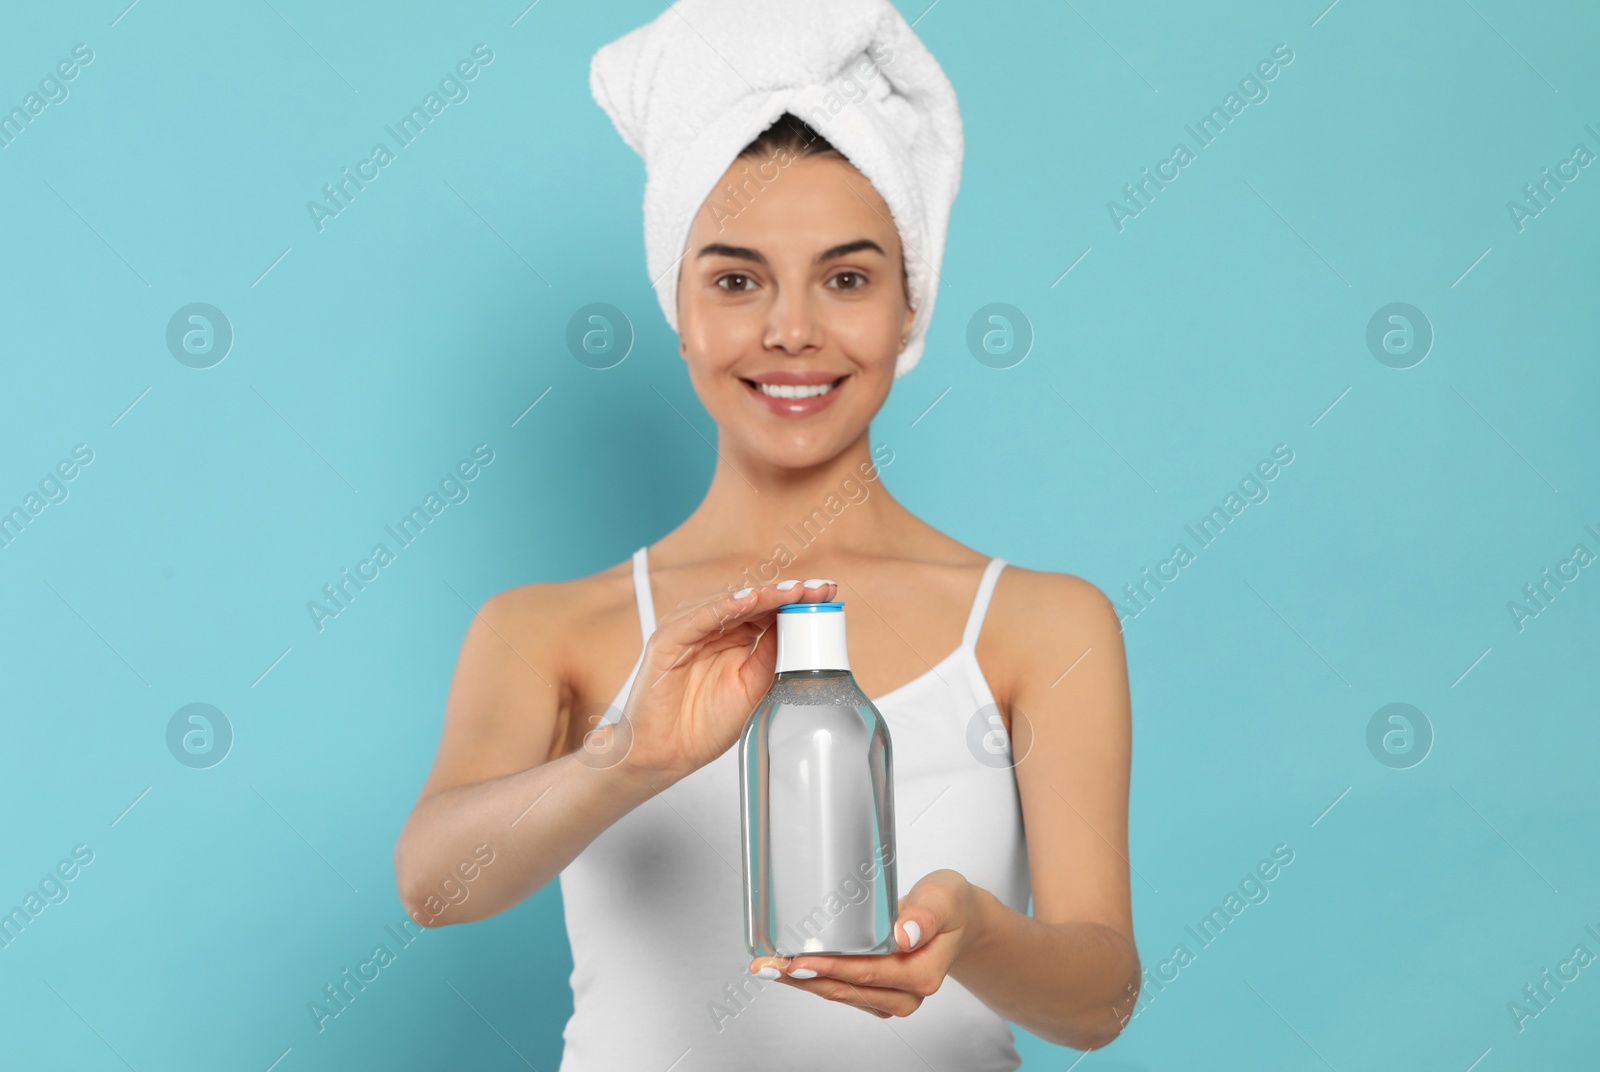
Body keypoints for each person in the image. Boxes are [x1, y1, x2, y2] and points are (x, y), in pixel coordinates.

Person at [394, 3, 1138, 1068]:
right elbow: (434, 883)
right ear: (680, 307)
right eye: (737, 280)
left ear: (906, 304)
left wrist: (972, 932)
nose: (792, 329)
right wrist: (626, 755)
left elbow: (1098, 999)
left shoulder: (1036, 623)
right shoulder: (549, 629)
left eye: (846, 277)